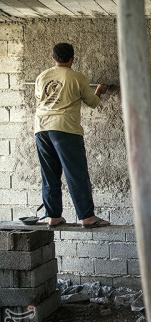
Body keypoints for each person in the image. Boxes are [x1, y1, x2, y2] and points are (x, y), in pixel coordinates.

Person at [34, 43, 110, 228]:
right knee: (76, 173)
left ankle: (53, 216)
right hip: (65, 129)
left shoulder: (42, 76)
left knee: (49, 174)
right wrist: (99, 91)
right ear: (72, 59)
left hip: (41, 128)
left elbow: (39, 99)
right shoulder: (77, 77)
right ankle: (87, 217)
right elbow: (92, 102)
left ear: (53, 58)